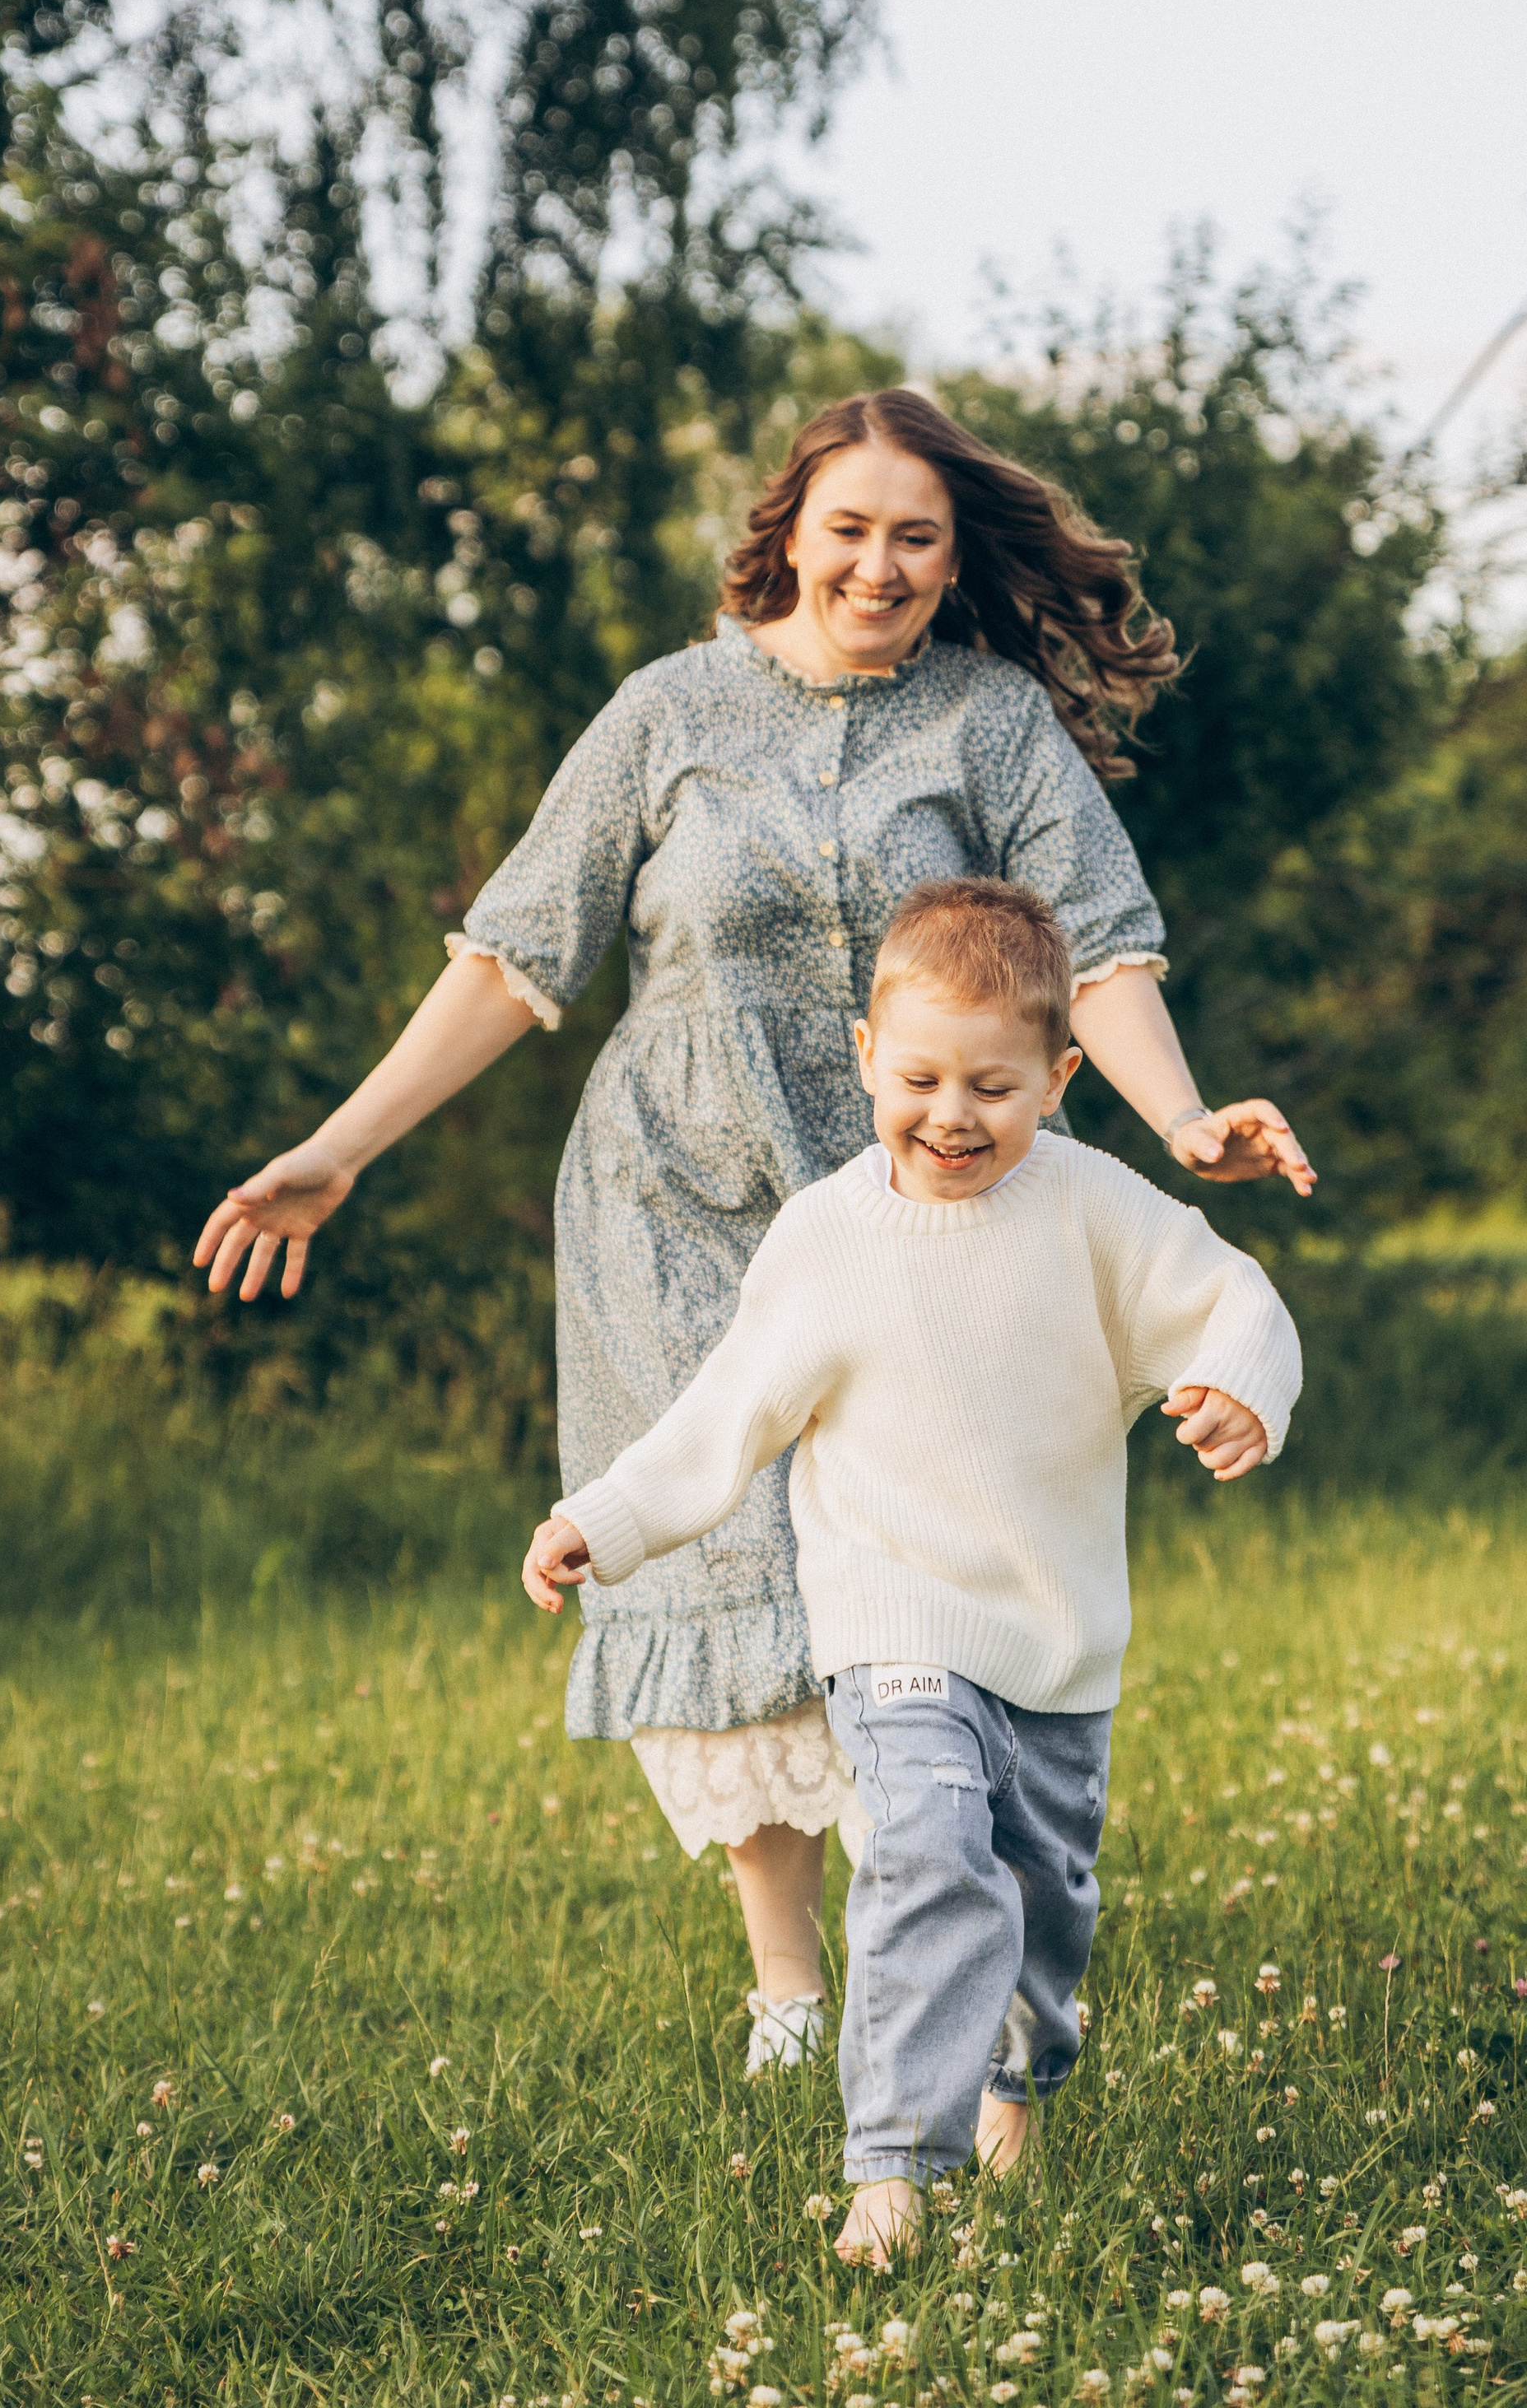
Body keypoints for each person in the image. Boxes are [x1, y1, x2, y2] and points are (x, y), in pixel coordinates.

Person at [193, 386, 1315, 2074]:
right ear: (786, 528)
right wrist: (340, 1150)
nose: (877, 564)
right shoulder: (665, 713)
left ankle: (938, 1937)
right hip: (673, 1207)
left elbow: (1096, 949)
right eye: (848, 527)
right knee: (726, 1561)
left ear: (951, 560)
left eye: (914, 538)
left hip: (928, 1212)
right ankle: (789, 1986)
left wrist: (1175, 1120)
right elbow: (514, 958)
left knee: (915, 1562)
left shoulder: (990, 723)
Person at [524, 878, 1301, 2263]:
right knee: (928, 1852)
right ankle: (891, 2166)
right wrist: (610, 1518)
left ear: (1060, 1080)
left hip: (1055, 1642)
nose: (953, 1114)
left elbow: (1230, 1295)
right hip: (891, 1626)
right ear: (870, 1055)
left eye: (994, 1086)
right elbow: (728, 1407)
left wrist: (1240, 1385)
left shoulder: (1092, 1212)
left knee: (1043, 1907)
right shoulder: (826, 1237)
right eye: (923, 1076)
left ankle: (1017, 2078)